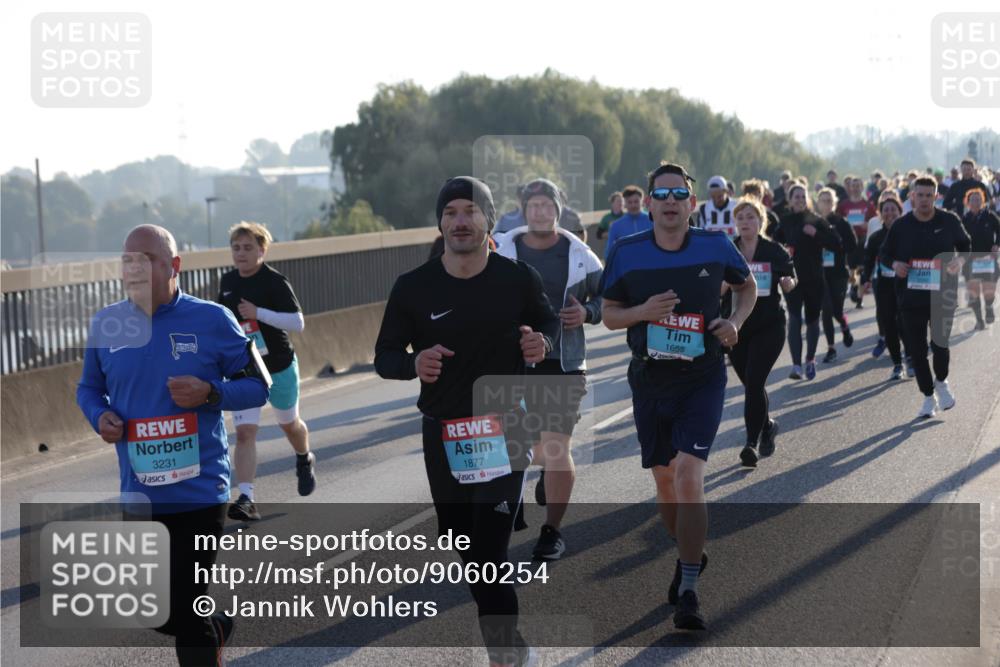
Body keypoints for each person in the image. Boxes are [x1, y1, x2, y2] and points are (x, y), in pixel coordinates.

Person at [374, 176, 557, 666]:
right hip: (444, 431)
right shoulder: (413, 287)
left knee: (490, 551)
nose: (459, 220)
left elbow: (548, 324)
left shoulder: (516, 278)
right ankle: (511, 644)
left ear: (488, 220)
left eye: (470, 211)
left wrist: (542, 344)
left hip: (504, 426)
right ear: (440, 222)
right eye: (450, 212)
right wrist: (412, 363)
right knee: (469, 552)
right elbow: (385, 356)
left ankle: (504, 654)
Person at [76, 224, 269, 666]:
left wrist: (210, 393)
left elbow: (261, 385)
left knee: (187, 604)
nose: (135, 269)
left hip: (200, 490)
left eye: (147, 260)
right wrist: (99, 416)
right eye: (128, 260)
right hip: (141, 491)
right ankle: (217, 625)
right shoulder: (107, 323)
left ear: (175, 266)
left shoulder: (212, 319)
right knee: (156, 611)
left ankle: (206, 629)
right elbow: (87, 389)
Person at [601, 162, 756, 630]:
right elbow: (609, 315)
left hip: (702, 376)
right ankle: (690, 553)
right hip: (649, 379)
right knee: (665, 481)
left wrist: (735, 323)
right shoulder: (626, 251)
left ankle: (689, 589)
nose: (670, 202)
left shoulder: (714, 244)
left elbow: (747, 287)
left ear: (692, 203)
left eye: (678, 194)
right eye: (661, 194)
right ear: (647, 203)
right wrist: (643, 312)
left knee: (690, 475)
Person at [495, 177, 604, 560]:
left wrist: (588, 311)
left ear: (559, 210)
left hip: (564, 362)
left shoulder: (580, 255)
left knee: (556, 447)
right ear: (523, 210)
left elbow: (609, 297)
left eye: (547, 205)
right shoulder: (501, 250)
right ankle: (516, 494)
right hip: (512, 363)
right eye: (533, 205)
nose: (540, 211)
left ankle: (552, 531)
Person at [218, 222, 315, 522]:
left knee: (290, 424)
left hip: (279, 366)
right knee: (245, 433)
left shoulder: (274, 281)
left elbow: (297, 322)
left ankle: (304, 457)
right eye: (236, 248)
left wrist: (258, 313)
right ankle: (246, 497)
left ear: (262, 250)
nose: (241, 254)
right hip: (245, 370)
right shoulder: (227, 281)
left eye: (248, 248)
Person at [881, 176, 971, 419]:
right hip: (911, 297)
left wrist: (960, 260)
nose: (924, 200)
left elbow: (966, 245)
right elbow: (884, 254)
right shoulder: (901, 225)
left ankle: (941, 381)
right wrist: (895, 264)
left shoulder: (949, 221)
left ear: (936, 197)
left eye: (928, 195)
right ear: (912, 197)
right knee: (917, 351)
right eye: (919, 195)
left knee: (940, 344)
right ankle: (928, 396)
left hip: (943, 293)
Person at [723, 197, 796, 467]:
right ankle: (767, 425)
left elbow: (790, 277)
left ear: (760, 221)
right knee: (751, 385)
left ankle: (750, 443)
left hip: (770, 325)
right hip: (737, 327)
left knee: (754, 382)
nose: (745, 222)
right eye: (740, 218)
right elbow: (714, 283)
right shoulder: (728, 249)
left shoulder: (773, 250)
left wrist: (788, 282)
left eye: (750, 217)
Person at [773, 183, 842, 380]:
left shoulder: (816, 220)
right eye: (797, 197)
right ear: (790, 199)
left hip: (814, 277)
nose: (801, 200)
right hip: (792, 279)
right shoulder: (784, 222)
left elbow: (837, 243)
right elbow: (773, 244)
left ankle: (810, 360)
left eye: (803, 197)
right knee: (794, 318)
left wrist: (817, 234)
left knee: (812, 319)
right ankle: (796, 366)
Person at [861, 195, 912, 380]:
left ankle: (910, 357)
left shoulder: (908, 233)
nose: (890, 213)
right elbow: (867, 261)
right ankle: (897, 364)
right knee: (889, 324)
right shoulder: (876, 237)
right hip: (884, 285)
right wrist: (865, 279)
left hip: (906, 284)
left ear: (900, 212)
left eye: (893, 209)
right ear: (881, 214)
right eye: (886, 210)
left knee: (904, 322)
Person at [815, 187, 857, 363]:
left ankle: (844, 325)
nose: (826, 203)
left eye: (829, 200)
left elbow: (852, 245)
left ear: (834, 203)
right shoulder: (814, 222)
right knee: (826, 310)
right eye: (823, 200)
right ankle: (831, 348)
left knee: (836, 310)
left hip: (838, 272)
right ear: (818, 203)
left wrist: (835, 246)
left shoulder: (841, 222)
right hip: (820, 273)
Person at [960, 188, 1000, 329]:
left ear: (982, 201)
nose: (975, 202)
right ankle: (979, 320)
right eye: (972, 199)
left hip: (988, 258)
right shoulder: (964, 219)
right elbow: (958, 239)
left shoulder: (990, 216)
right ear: (967, 202)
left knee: (989, 290)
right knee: (974, 291)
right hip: (970, 259)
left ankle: (989, 307)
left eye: (978, 199)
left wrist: (996, 245)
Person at [836, 176, 877, 309]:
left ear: (862, 187)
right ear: (850, 188)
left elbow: (875, 221)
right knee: (851, 268)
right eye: (853, 185)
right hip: (848, 240)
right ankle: (853, 286)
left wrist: (867, 224)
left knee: (861, 268)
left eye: (858, 185)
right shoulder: (843, 205)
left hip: (862, 240)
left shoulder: (868, 205)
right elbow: (837, 221)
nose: (855, 188)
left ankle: (859, 298)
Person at [605, 185, 652, 258]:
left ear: (642, 201)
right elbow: (609, 253)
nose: (633, 205)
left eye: (636, 201)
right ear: (625, 204)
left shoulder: (653, 221)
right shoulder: (616, 226)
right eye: (629, 202)